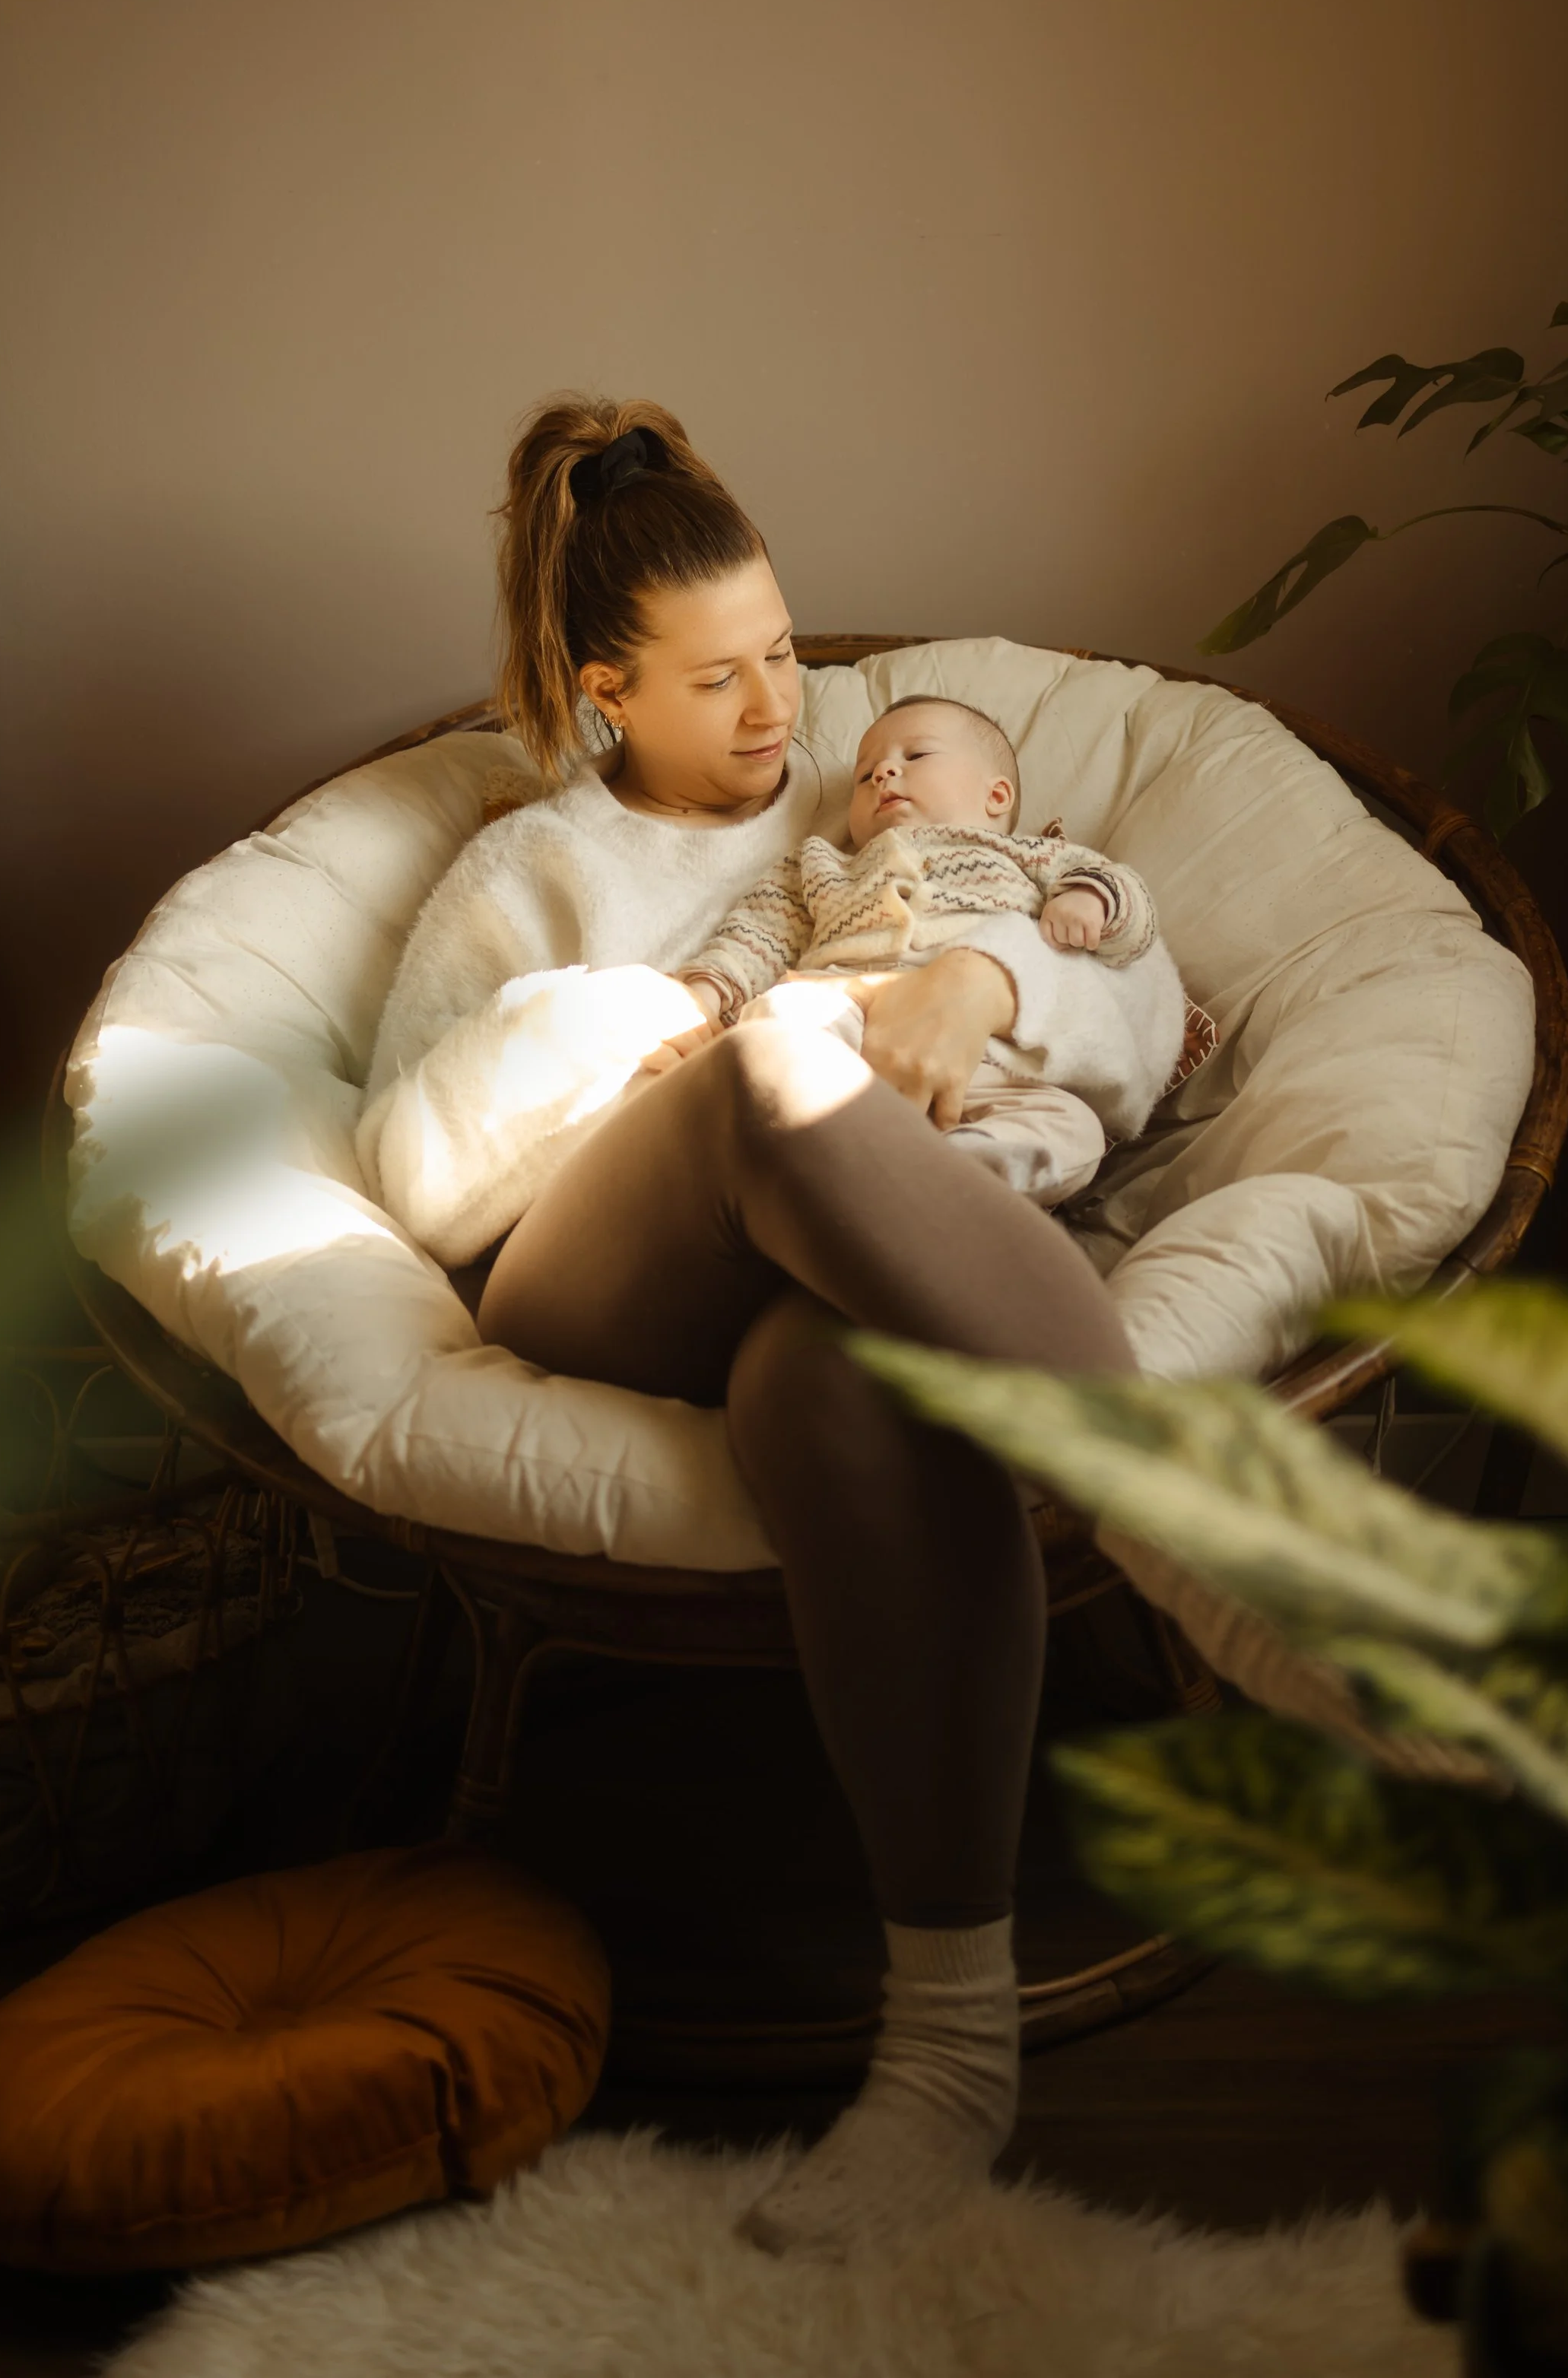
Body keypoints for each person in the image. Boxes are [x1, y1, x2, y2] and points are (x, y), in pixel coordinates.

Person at [357, 397, 1179, 2263]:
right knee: (763, 1073)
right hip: (597, 1272)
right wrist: (618, 1032)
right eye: (718, 679)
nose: (779, 711)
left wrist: (986, 972)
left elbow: (1133, 978)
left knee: (830, 1378)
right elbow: (410, 1168)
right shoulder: (528, 873)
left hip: (815, 1273)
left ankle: (949, 2056)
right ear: (601, 694)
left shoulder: (879, 802)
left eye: (786, 653)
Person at [649, 694, 1188, 1205]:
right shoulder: (823, 863)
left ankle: (955, 1174)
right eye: (865, 774)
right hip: (850, 1025)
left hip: (994, 1062)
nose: (883, 772)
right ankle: (806, 1139)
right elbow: (759, 930)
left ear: (996, 795)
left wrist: (1093, 899)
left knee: (1074, 1128)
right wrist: (706, 989)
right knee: (786, 1012)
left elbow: (1129, 904)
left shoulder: (1037, 855)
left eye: (917, 755)